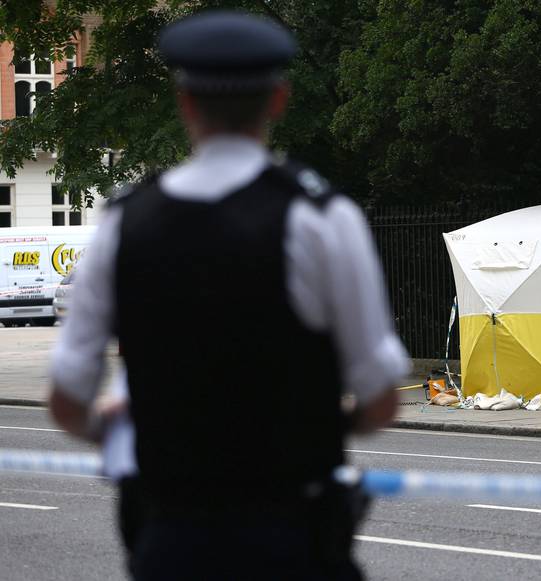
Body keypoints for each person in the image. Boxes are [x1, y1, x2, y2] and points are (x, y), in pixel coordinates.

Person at [48, 9, 409, 580]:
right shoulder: (321, 218)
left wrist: (125, 431)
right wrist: (317, 428)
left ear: (185, 102)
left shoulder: (125, 223)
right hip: (294, 536)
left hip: (172, 537)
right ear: (279, 99)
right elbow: (382, 399)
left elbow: (67, 400)